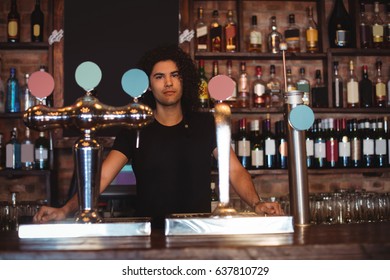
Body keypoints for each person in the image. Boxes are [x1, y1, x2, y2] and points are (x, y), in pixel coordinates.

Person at [33, 45, 283, 228]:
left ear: (185, 81)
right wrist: (65, 209)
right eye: (159, 76)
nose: (168, 83)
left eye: (175, 75)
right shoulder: (135, 129)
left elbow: (235, 171)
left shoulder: (206, 125)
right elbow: (101, 178)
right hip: (150, 234)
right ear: (149, 85)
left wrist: (256, 204)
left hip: (199, 231)